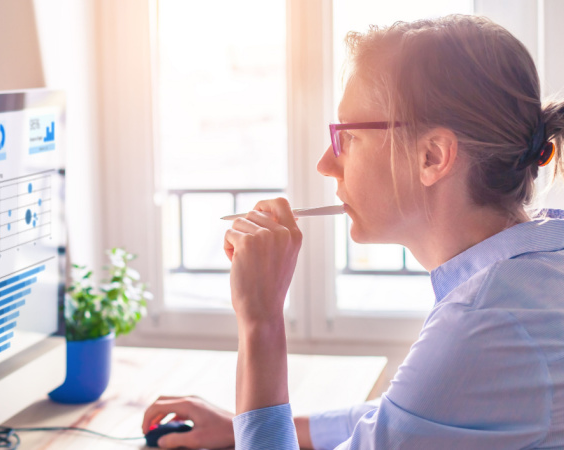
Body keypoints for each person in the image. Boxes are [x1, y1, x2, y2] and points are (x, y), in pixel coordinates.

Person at [142, 14, 564, 449]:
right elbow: (405, 415)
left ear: (432, 156)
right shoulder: (534, 273)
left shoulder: (483, 323)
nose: (326, 163)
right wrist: (242, 427)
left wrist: (261, 320)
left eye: (347, 137)